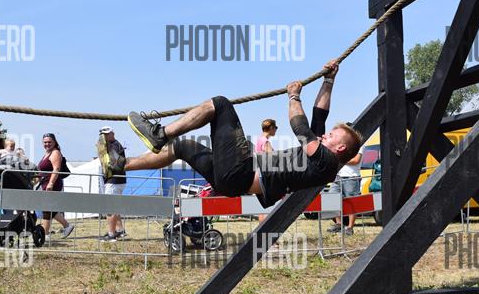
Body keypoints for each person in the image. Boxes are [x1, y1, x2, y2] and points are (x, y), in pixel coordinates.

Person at [124, 60, 362, 209]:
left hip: (240, 174)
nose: (326, 135)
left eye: (332, 136)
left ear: (340, 148)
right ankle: (121, 165)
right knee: (184, 146)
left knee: (221, 104)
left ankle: (160, 134)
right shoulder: (321, 160)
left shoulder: (326, 162)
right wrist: (329, 81)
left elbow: (300, 128)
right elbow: (319, 115)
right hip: (231, 182)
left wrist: (293, 96)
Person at [327, 124, 362, 236]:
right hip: (338, 176)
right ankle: (338, 224)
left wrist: (339, 158)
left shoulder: (359, 144)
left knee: (351, 202)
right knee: (333, 198)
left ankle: (350, 227)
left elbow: (356, 160)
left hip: (351, 177)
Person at [37, 133, 74, 238]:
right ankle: (66, 226)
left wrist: (51, 183)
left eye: (49, 142)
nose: (47, 144)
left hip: (53, 184)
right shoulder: (47, 153)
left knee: (47, 208)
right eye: (45, 142)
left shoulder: (55, 153)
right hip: (45, 184)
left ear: (54, 142)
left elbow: (56, 169)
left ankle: (46, 234)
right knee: (48, 208)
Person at [97, 126, 127, 242]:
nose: (104, 137)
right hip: (116, 180)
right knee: (115, 207)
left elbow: (116, 162)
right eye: (103, 135)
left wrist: (106, 148)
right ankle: (120, 230)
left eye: (106, 134)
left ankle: (111, 234)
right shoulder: (114, 145)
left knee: (110, 208)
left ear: (112, 134)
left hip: (114, 180)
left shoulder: (114, 146)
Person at [254, 119, 277, 222]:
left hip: (259, 172)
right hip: (265, 175)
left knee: (264, 208)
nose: (276, 129)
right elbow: (273, 159)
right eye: (275, 127)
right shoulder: (266, 142)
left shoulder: (259, 139)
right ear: (271, 128)